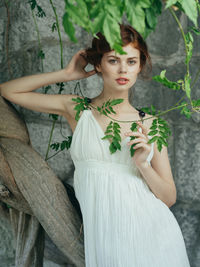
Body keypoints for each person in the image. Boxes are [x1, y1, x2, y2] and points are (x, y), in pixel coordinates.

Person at [0, 24, 190, 267]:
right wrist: (66, 74)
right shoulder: (78, 109)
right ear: (98, 64)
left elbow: (168, 197)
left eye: (131, 61)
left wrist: (143, 164)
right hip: (105, 242)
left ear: (140, 65)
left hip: (154, 237)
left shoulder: (151, 125)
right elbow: (7, 90)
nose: (123, 69)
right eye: (113, 60)